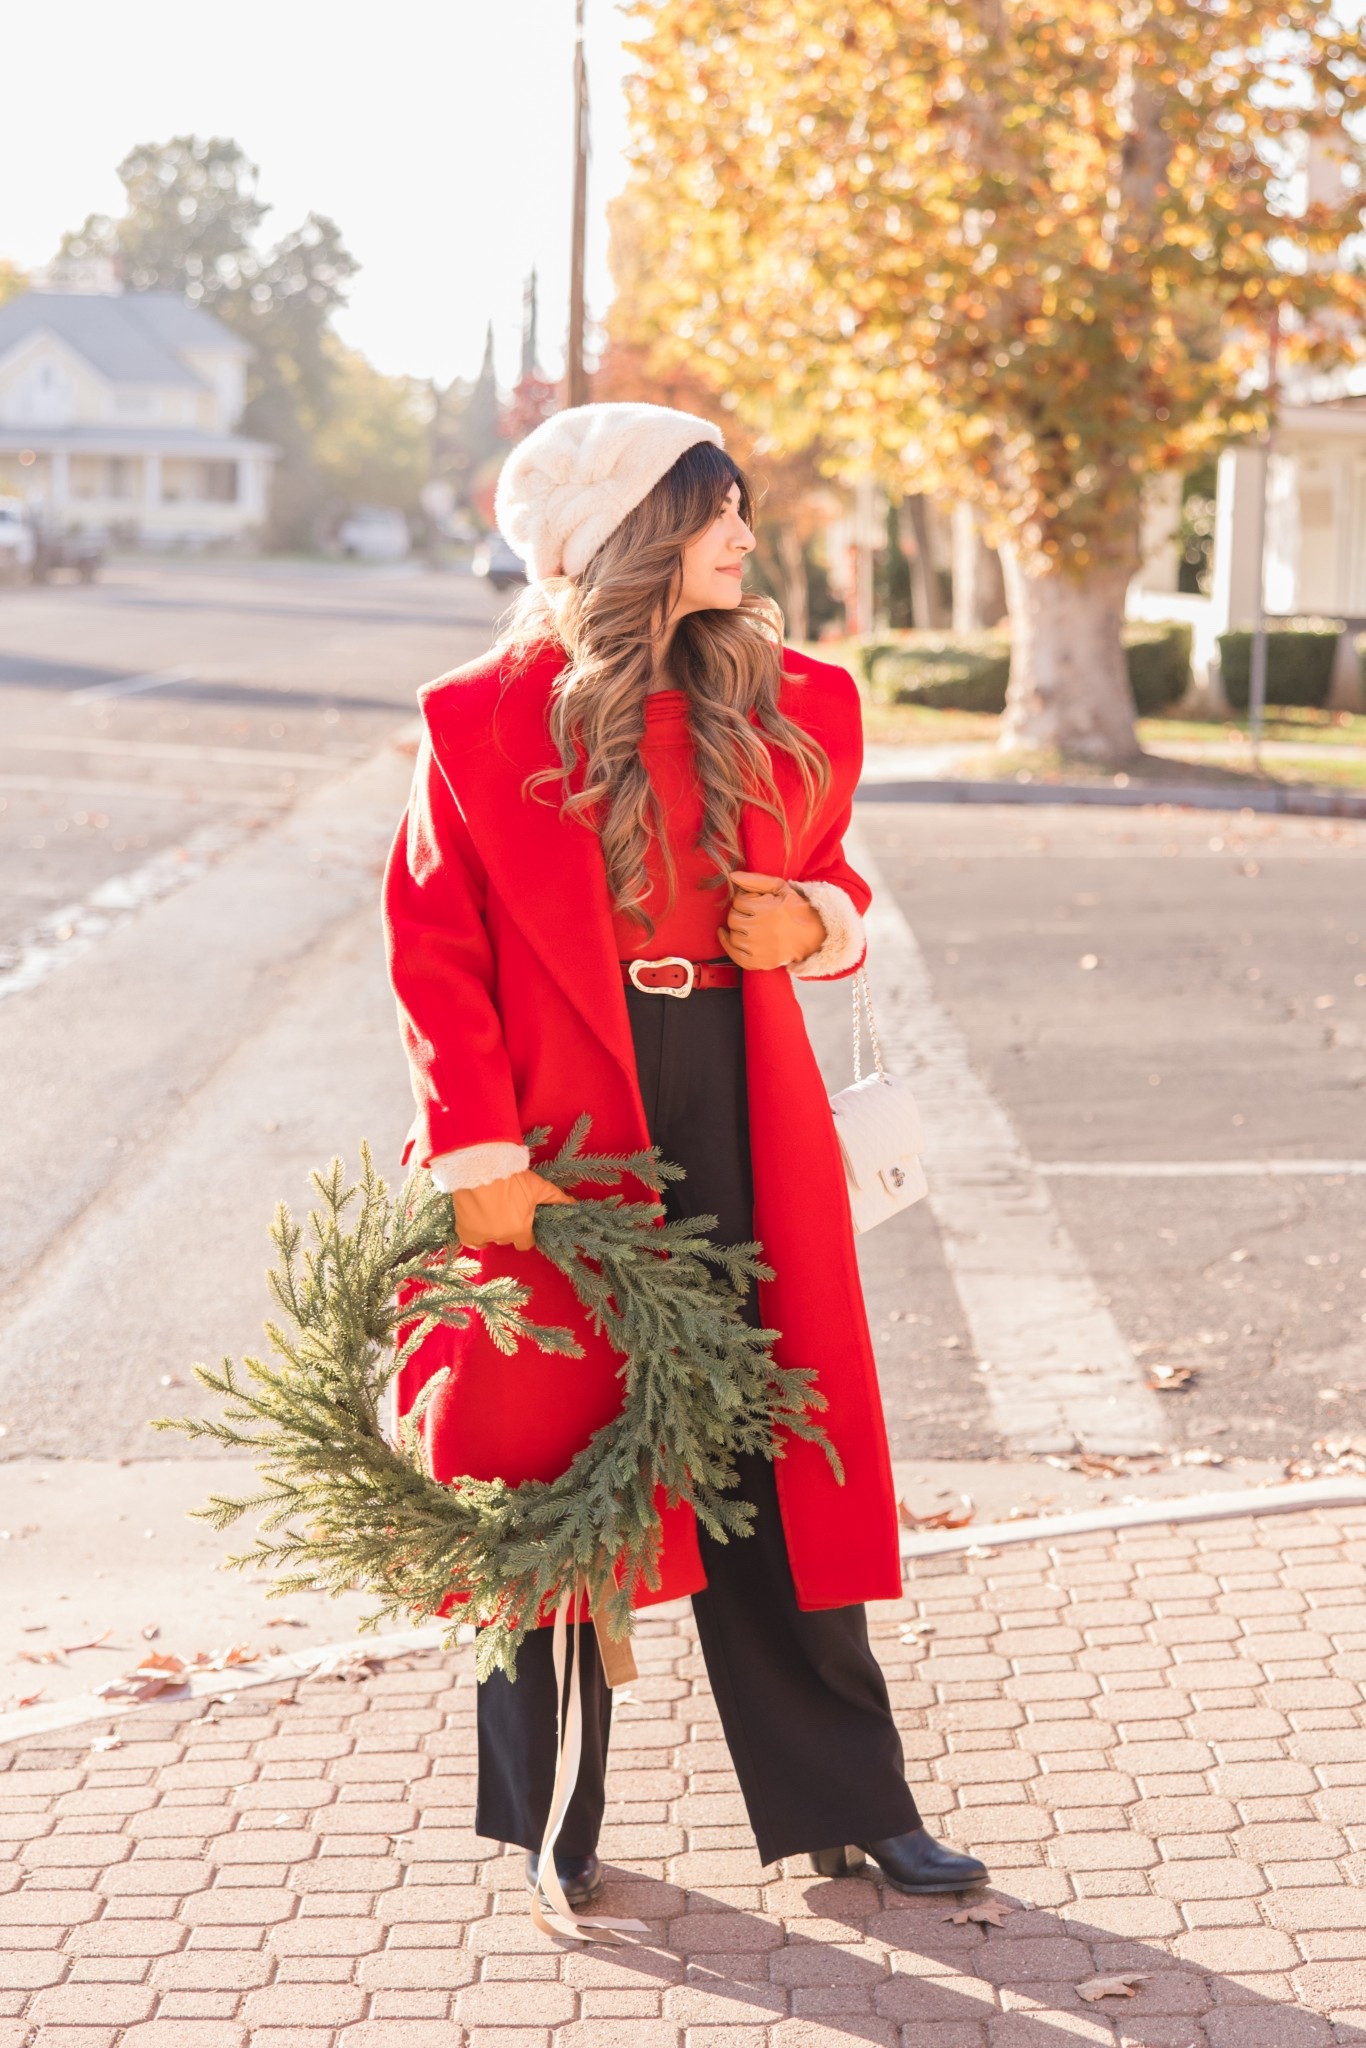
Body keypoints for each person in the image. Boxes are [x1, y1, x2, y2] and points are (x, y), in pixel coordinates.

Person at [383, 401, 987, 1909]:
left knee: (781, 1444)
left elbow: (830, 872)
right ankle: (550, 1823)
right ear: (629, 537)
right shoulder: (478, 716)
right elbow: (432, 947)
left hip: (744, 1089)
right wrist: (474, 1149)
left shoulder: (797, 699)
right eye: (712, 507)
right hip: (558, 1122)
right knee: (557, 1464)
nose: (742, 532)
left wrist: (818, 922)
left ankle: (853, 1801)